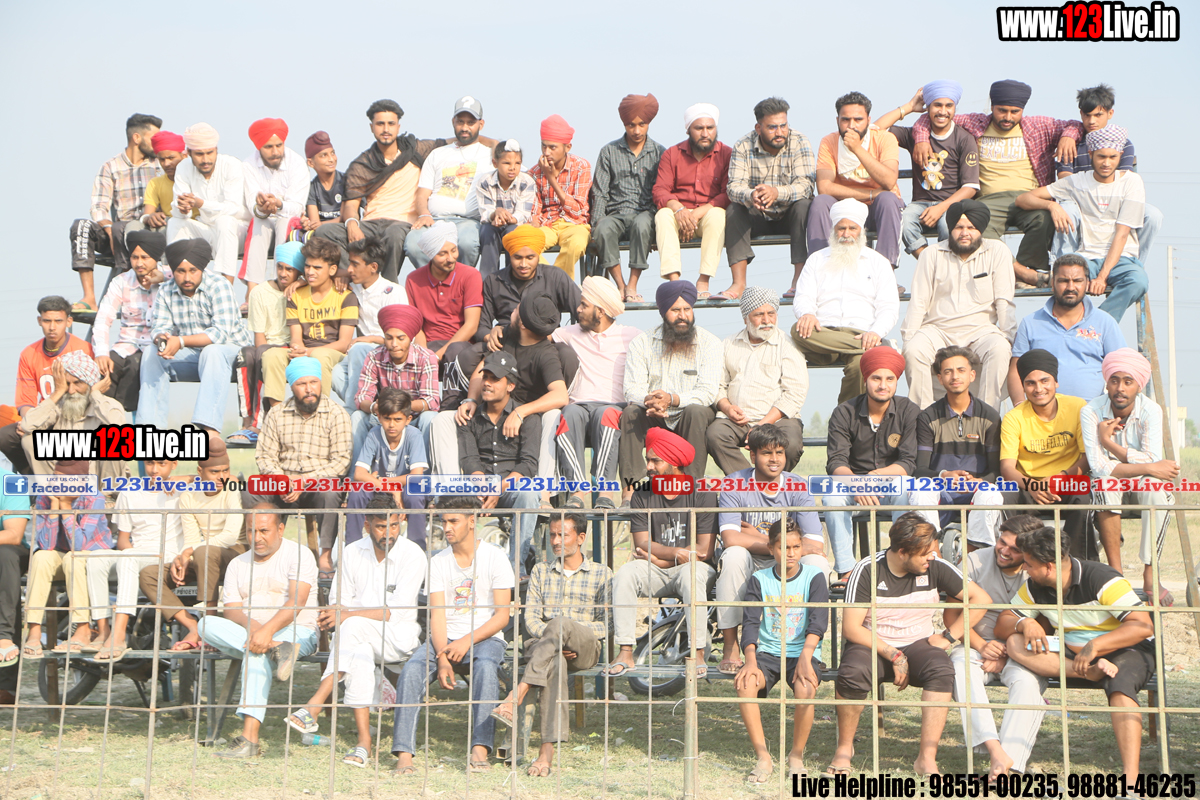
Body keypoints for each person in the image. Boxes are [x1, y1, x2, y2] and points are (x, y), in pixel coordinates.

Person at [995, 525, 1158, 787]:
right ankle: (1089, 672)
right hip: (1073, 654)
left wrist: (1096, 645)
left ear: (1049, 567)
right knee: (1015, 642)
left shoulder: (1101, 578)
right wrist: (1024, 623)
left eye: (1029, 564)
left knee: (1119, 686)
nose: (1024, 568)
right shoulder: (1035, 586)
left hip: (1127, 648)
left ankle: (1131, 778)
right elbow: (1003, 623)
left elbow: (1142, 626)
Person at [831, 513, 991, 777]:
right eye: (925, 554)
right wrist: (894, 654)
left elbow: (981, 599)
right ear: (903, 552)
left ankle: (926, 758)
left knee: (942, 670)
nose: (932, 557)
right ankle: (844, 749)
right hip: (872, 642)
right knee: (853, 672)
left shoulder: (935, 565)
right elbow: (851, 628)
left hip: (918, 642)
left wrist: (948, 637)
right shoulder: (868, 569)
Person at [286, 494, 425, 769]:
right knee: (357, 649)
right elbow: (339, 603)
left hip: (398, 637)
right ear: (367, 524)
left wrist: (347, 614)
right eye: (381, 527)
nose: (389, 533)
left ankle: (315, 704)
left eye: (394, 525)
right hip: (355, 640)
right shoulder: (351, 552)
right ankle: (364, 743)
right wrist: (339, 614)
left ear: (401, 521)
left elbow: (393, 613)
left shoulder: (413, 554)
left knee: (352, 626)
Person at [907, 79, 1085, 286]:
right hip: (989, 199)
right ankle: (1021, 273)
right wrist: (921, 140)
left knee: (1043, 220)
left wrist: (1067, 137)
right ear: (992, 106)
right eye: (1002, 111)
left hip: (1029, 197)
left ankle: (1026, 270)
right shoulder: (975, 123)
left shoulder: (1038, 126)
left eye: (1015, 112)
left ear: (1022, 110)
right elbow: (931, 118)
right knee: (974, 226)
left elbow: (1075, 125)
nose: (1008, 117)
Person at [392, 496, 514, 776]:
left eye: (453, 521)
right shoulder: (438, 562)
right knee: (411, 671)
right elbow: (437, 616)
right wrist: (443, 657)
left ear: (472, 521)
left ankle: (480, 748)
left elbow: (502, 617)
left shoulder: (494, 557)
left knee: (486, 668)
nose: (447, 527)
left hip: (485, 638)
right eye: (443, 521)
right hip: (444, 639)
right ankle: (404, 754)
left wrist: (465, 641)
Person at [490, 512, 613, 779]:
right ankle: (546, 753)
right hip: (545, 649)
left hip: (584, 648)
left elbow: (606, 625)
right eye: (553, 535)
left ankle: (516, 694)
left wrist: (566, 632)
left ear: (580, 538)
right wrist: (556, 640)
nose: (556, 541)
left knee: (559, 623)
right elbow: (531, 619)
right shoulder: (541, 571)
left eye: (563, 535)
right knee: (554, 660)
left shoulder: (602, 573)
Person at [199, 502, 321, 760]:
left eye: (264, 531)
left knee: (254, 653)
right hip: (253, 634)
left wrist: (267, 632)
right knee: (205, 624)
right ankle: (277, 650)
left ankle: (249, 740)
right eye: (251, 531)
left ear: (280, 529)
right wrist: (259, 632)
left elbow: (297, 602)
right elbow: (231, 610)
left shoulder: (298, 554)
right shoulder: (237, 563)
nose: (257, 538)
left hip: (297, 632)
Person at [605, 428, 718, 678]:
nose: (649, 466)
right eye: (648, 460)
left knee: (691, 575)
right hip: (655, 567)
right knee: (625, 574)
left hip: (692, 568)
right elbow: (642, 543)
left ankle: (697, 653)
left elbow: (703, 550)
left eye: (656, 461)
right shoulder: (642, 493)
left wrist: (661, 559)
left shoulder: (702, 492)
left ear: (675, 463)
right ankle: (625, 651)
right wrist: (675, 553)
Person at [716, 424, 827, 675]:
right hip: (752, 560)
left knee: (818, 564)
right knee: (733, 556)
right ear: (753, 455)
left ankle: (811, 649)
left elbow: (814, 544)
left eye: (779, 453)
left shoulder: (797, 486)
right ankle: (730, 645)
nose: (775, 459)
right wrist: (776, 546)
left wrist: (758, 537)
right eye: (767, 453)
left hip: (788, 559)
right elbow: (730, 538)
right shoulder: (734, 483)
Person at [1017, 125, 1149, 321]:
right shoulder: (1077, 181)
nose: (1106, 163)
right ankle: (1063, 326)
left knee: (1138, 282)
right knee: (1064, 283)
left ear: (1120, 156)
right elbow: (1023, 199)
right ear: (1090, 154)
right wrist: (1052, 206)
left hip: (1121, 258)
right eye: (1101, 157)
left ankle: (1096, 323)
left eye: (1112, 157)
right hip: (1086, 257)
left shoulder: (1132, 182)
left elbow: (1122, 234)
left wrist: (1102, 277)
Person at [953, 514, 1048, 780]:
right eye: (1001, 542)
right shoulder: (974, 561)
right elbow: (952, 617)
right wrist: (982, 646)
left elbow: (1047, 624)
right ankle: (995, 751)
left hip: (1021, 649)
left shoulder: (1037, 570)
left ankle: (1010, 766)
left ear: (1030, 553)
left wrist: (1008, 654)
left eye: (1014, 549)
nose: (1003, 551)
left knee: (1028, 683)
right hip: (975, 643)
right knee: (959, 667)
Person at [735, 519, 829, 784]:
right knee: (746, 684)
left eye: (796, 547)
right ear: (771, 549)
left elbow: (818, 622)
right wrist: (750, 661)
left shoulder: (814, 577)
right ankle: (763, 757)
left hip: (803, 652)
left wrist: (806, 658)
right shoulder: (760, 579)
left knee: (806, 688)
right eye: (783, 547)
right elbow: (750, 622)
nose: (791, 553)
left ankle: (796, 756)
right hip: (768, 652)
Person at [1081, 348, 1178, 604]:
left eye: (1128, 381)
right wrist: (1150, 467)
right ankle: (1116, 575)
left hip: (1140, 487)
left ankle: (1150, 574)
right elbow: (1099, 467)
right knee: (1105, 483)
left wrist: (1109, 444)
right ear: (1107, 382)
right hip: (1110, 488)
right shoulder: (1091, 411)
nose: (1120, 388)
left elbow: (1151, 457)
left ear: (1139, 385)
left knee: (1156, 488)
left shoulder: (1150, 410)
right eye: (1114, 381)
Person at [313, 99, 449, 279]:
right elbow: (351, 204)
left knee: (394, 234)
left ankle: (388, 285)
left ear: (398, 127)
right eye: (380, 124)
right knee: (324, 232)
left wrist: (485, 141)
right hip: (370, 224)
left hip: (402, 223)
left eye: (391, 124)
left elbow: (455, 142)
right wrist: (352, 223)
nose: (386, 129)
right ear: (371, 127)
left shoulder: (415, 150)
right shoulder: (362, 164)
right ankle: (351, 277)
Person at [901, 199, 1016, 410]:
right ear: (950, 229)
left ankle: (987, 417)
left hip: (981, 331)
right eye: (959, 227)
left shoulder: (997, 251)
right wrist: (908, 341)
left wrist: (1008, 338)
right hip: (937, 330)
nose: (965, 233)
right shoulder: (931, 254)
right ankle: (923, 419)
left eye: (971, 228)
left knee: (1000, 349)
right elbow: (918, 302)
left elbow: (1004, 301)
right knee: (914, 349)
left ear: (981, 229)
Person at [139, 434, 246, 652]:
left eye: (225, 471)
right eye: (214, 472)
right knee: (149, 575)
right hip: (203, 556)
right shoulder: (188, 496)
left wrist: (190, 552)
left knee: (204, 552)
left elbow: (229, 536)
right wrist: (183, 556)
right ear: (200, 472)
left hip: (235, 554)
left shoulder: (232, 488)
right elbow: (190, 539)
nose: (222, 477)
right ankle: (193, 626)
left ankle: (210, 628)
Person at [823, 346, 919, 578]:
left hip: (891, 482)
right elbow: (836, 462)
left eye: (890, 379)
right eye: (876, 378)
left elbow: (908, 462)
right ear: (865, 379)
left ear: (897, 382)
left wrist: (875, 477)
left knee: (907, 491)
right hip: (852, 484)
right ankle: (846, 571)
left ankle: (899, 568)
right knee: (831, 496)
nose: (883, 385)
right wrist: (857, 484)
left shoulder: (908, 410)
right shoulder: (844, 412)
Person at [791, 199, 899, 405]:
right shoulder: (816, 260)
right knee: (797, 330)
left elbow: (889, 307)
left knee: (861, 366)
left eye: (852, 228)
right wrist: (807, 313)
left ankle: (844, 417)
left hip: (863, 333)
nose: (846, 234)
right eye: (841, 228)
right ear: (834, 230)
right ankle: (881, 347)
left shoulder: (878, 262)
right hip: (823, 335)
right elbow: (803, 296)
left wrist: (876, 332)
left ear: (861, 231)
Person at [137, 239, 252, 432]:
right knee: (151, 352)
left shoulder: (219, 285)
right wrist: (163, 340)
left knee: (212, 351)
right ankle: (151, 430)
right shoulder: (166, 290)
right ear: (173, 271)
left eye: (193, 270)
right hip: (194, 357)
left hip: (233, 355)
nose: (187, 277)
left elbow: (220, 334)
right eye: (181, 271)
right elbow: (159, 327)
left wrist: (180, 341)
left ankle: (208, 429)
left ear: (202, 269)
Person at [256, 357, 352, 576]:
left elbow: (341, 461)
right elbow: (264, 456)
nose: (309, 389)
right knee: (251, 492)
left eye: (314, 382)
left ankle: (325, 554)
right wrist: (281, 481)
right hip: (283, 483)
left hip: (317, 483)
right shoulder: (277, 413)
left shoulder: (337, 413)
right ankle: (263, 551)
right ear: (292, 387)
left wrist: (304, 481)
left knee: (331, 490)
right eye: (302, 384)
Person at [620, 280, 720, 485]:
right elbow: (632, 388)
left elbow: (708, 392)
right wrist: (651, 401)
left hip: (689, 416)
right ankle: (632, 490)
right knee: (630, 413)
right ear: (663, 312)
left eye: (687, 309)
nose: (682, 316)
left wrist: (672, 400)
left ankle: (689, 488)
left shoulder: (709, 343)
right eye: (675, 310)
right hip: (653, 414)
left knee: (696, 411)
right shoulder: (642, 342)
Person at [552, 277, 640, 508]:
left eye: (584, 305)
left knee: (606, 415)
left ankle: (605, 493)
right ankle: (577, 493)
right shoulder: (567, 333)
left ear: (600, 311)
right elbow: (536, 337)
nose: (578, 309)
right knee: (568, 413)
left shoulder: (631, 335)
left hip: (614, 407)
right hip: (579, 406)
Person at [87, 459, 185, 662]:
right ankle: (104, 630)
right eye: (149, 463)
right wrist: (130, 557)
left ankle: (119, 635)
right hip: (136, 553)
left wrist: (184, 479)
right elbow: (123, 540)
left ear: (174, 464)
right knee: (96, 559)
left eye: (161, 463)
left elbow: (220, 478)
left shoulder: (181, 490)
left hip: (168, 555)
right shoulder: (130, 492)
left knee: (128, 558)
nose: (154, 470)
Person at [1053, 84, 1162, 265]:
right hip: (1079, 202)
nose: (1092, 121)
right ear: (1081, 114)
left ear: (1110, 113)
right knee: (1067, 210)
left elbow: (1122, 180)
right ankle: (1064, 267)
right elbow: (1064, 178)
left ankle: (1134, 265)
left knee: (1153, 215)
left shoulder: (1123, 144)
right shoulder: (1071, 142)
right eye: (1087, 115)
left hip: (1114, 201)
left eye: (1098, 115)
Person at [907, 346, 1005, 548]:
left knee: (991, 494)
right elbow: (920, 469)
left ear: (972, 375)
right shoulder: (927, 417)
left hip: (975, 490)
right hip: (941, 490)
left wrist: (979, 481)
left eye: (961, 370)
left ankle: (977, 555)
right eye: (948, 371)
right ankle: (931, 552)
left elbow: (996, 471)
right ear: (940, 378)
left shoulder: (990, 417)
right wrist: (944, 475)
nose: (955, 376)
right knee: (920, 491)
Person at [455, 351, 543, 571]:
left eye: (495, 379)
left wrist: (498, 488)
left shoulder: (529, 419)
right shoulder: (469, 417)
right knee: (451, 492)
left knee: (530, 493)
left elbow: (528, 464)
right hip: (478, 486)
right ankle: (462, 567)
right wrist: (484, 486)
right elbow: (469, 459)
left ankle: (515, 567)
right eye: (485, 377)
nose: (487, 383)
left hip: (511, 487)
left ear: (510, 385)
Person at [708, 286, 809, 475]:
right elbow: (716, 385)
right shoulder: (728, 344)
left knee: (791, 444)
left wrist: (762, 424)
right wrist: (728, 408)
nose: (767, 320)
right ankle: (748, 484)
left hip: (777, 420)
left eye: (771, 313)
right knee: (715, 435)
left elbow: (795, 393)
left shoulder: (788, 345)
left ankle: (770, 482)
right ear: (745, 318)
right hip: (736, 420)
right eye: (759, 314)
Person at [999, 350, 1090, 556]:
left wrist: (1062, 477)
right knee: (1005, 496)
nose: (1038, 389)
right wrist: (1033, 485)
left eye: (1044, 381)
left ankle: (1076, 561)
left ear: (1056, 382)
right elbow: (1007, 467)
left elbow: (1087, 458)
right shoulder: (1014, 418)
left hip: (1066, 482)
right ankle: (1013, 558)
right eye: (1030, 383)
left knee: (1083, 495)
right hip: (1028, 485)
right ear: (1023, 387)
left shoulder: (1077, 407)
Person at [876, 81, 980, 258]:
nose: (943, 111)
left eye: (949, 106)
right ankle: (929, 262)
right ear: (928, 107)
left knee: (949, 227)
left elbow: (970, 187)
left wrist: (941, 208)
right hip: (920, 204)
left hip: (951, 203)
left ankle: (947, 266)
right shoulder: (915, 136)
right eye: (937, 105)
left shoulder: (964, 139)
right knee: (903, 222)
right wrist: (909, 107)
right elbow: (876, 130)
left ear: (955, 108)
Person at [70, 113, 162, 313]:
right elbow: (98, 206)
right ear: (136, 138)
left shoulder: (160, 164)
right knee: (81, 226)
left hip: (150, 232)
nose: (157, 143)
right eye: (153, 138)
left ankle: (131, 289)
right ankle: (89, 297)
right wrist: (109, 229)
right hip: (118, 235)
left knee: (125, 228)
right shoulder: (110, 167)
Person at [727, 97, 816, 300]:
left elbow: (806, 185)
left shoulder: (799, 141)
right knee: (734, 209)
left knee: (804, 205)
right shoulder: (742, 145)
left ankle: (799, 280)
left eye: (783, 125)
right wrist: (751, 195)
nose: (779, 132)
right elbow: (733, 187)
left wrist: (775, 192)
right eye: (772, 127)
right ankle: (738, 283)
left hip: (790, 215)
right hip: (757, 214)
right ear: (758, 128)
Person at [21, 460, 111, 657]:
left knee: (74, 558)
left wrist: (67, 506)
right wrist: (56, 507)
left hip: (92, 555)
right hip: (61, 553)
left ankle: (83, 628)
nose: (59, 483)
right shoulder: (46, 496)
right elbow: (46, 545)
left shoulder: (93, 497)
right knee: (41, 557)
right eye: (57, 478)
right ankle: (34, 630)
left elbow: (79, 545)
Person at [1008, 254, 1126, 402]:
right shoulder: (1031, 323)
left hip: (1092, 411)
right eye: (1063, 281)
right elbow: (1016, 370)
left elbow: (1122, 368)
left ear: (1087, 283)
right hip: (1044, 411)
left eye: (1077, 281)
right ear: (1053, 283)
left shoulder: (1105, 322)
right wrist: (1020, 406)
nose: (1070, 287)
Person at [809, 91, 904, 271]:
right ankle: (819, 270)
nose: (851, 126)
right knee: (820, 202)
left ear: (868, 120)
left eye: (858, 120)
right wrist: (870, 193)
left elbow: (889, 181)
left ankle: (886, 272)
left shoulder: (885, 139)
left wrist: (857, 149)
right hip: (843, 211)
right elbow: (824, 187)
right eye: (845, 120)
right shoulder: (829, 142)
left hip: (877, 209)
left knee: (888, 199)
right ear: (837, 120)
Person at [261, 238, 359, 410]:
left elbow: (343, 344)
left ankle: (321, 410)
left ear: (332, 269)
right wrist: (298, 348)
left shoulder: (346, 297)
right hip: (305, 351)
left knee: (320, 355)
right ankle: (276, 412)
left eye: (317, 268)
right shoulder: (296, 295)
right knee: (272, 355)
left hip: (332, 354)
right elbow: (296, 336)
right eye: (307, 266)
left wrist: (308, 352)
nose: (310, 272)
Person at [651, 103, 732, 303]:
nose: (705, 133)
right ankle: (675, 281)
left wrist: (697, 213)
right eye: (699, 128)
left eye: (710, 128)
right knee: (663, 214)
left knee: (718, 214)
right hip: (678, 216)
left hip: (706, 216)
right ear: (688, 130)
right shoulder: (672, 154)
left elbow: (727, 193)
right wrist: (679, 209)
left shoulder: (727, 154)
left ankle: (703, 281)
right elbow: (660, 189)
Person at [1, 350, 122, 482]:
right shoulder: (62, 404)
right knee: (29, 439)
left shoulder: (108, 405)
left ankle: (108, 492)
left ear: (90, 383)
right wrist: (57, 392)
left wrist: (95, 394)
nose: (71, 390)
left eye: (77, 383)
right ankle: (49, 490)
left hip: (98, 477)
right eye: (67, 384)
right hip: (64, 476)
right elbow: (27, 425)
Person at [403, 96, 493, 269]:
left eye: (471, 122)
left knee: (467, 244)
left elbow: (514, 171)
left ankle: (459, 282)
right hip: (434, 220)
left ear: (481, 124)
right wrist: (424, 214)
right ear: (453, 122)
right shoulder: (437, 154)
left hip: (468, 221)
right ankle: (434, 281)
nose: (464, 127)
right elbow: (422, 194)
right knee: (413, 244)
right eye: (460, 122)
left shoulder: (490, 155)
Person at [592, 93, 664, 300]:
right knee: (603, 228)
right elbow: (600, 192)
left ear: (649, 123)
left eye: (642, 124)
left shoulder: (659, 152)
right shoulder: (608, 151)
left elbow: (662, 190)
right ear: (624, 124)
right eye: (631, 125)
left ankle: (632, 284)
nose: (637, 131)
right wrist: (596, 224)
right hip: (615, 214)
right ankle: (620, 285)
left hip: (645, 213)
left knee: (642, 225)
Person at [231, 241, 305, 441]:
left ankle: (261, 424)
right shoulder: (259, 292)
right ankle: (247, 422)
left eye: (289, 269)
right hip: (267, 346)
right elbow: (259, 336)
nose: (283, 273)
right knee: (246, 354)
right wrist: (261, 352)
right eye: (280, 267)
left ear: (299, 271)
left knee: (266, 355)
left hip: (293, 348)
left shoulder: (305, 290)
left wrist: (301, 284)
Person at [168, 123, 251, 290]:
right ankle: (177, 282)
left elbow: (233, 208)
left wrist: (200, 203)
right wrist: (182, 208)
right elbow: (179, 207)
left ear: (216, 150)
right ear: (189, 153)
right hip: (207, 231)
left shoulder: (231, 165)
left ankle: (225, 288)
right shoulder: (183, 167)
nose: (205, 160)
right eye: (199, 154)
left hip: (237, 232)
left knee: (225, 221)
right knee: (175, 222)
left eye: (209, 153)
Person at [351, 304, 440, 459]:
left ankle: (423, 469)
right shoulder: (374, 356)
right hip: (384, 418)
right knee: (358, 416)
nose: (394, 344)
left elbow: (431, 401)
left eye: (400, 338)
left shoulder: (426, 357)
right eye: (389, 338)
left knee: (429, 418)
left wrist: (399, 406)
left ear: (411, 338)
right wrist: (375, 407)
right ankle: (358, 471)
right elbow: (361, 398)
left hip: (414, 419)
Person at [474, 225, 581, 354]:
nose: (523, 264)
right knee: (468, 354)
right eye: (517, 258)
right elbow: (481, 326)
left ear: (538, 256)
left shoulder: (555, 276)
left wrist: (558, 335)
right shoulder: (493, 281)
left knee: (567, 354)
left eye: (530, 258)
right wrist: (490, 336)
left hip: (546, 345)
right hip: (505, 346)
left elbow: (582, 312)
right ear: (510, 255)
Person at [345, 388, 429, 550]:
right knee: (358, 491)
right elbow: (359, 473)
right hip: (380, 489)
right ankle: (352, 549)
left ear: (408, 419)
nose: (391, 425)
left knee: (415, 492)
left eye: (397, 419)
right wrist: (390, 487)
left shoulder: (414, 435)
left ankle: (418, 549)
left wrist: (389, 483)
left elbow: (416, 476)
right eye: (387, 419)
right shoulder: (374, 434)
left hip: (403, 488)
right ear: (379, 417)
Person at [93, 230, 166, 414]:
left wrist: (164, 279)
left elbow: (196, 278)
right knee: (106, 367)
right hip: (126, 345)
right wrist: (101, 353)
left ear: (156, 257)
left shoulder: (171, 278)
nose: (139, 263)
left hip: (157, 347)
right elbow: (103, 319)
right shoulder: (121, 282)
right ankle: (106, 419)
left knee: (136, 365)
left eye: (145, 257)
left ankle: (124, 417)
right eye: (134, 257)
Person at [242, 118, 308, 296]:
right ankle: (253, 291)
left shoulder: (297, 163)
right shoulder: (248, 165)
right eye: (268, 147)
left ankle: (279, 288)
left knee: (284, 221)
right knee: (258, 222)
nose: (275, 152)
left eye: (279, 145)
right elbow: (251, 202)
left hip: (289, 223)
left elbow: (297, 206)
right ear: (259, 147)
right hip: (262, 222)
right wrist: (261, 207)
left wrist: (278, 204)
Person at [403, 221, 483, 364]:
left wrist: (437, 356)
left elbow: (471, 326)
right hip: (428, 345)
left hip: (460, 344)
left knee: (455, 352)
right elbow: (416, 326)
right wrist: (424, 353)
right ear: (431, 255)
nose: (450, 258)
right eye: (442, 254)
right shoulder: (413, 279)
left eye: (454, 250)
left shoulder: (471, 275)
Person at [529, 115, 592, 280]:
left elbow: (577, 210)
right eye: (543, 146)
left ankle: (554, 285)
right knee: (526, 243)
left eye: (552, 147)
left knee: (577, 244)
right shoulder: (534, 173)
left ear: (567, 147)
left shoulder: (581, 167)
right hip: (547, 225)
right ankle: (554, 283)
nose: (546, 152)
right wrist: (532, 225)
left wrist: (551, 179)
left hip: (574, 224)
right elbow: (535, 211)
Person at [475, 139, 537, 277]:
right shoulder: (485, 181)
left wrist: (510, 218)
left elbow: (522, 213)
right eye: (506, 163)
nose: (512, 168)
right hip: (493, 224)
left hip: (515, 224)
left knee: (513, 232)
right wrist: (495, 213)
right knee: (487, 232)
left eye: (517, 163)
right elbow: (485, 211)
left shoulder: (527, 182)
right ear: (495, 163)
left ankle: (513, 278)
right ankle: (488, 279)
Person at [0, 468, 31, 674]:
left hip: (7, 551)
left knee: (5, 556)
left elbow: (14, 534)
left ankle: (3, 635)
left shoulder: (10, 481)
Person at [140, 130, 189, 236]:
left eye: (171, 158)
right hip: (167, 225)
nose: (166, 164)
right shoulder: (155, 183)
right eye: (162, 159)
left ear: (184, 156)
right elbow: (146, 214)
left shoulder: (196, 179)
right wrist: (150, 217)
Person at [298, 131, 345, 239]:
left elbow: (348, 217)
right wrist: (308, 224)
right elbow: (315, 222)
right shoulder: (311, 188)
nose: (331, 159)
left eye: (332, 153)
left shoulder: (347, 181)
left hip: (344, 232)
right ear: (310, 163)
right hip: (321, 235)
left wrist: (322, 225)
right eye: (324, 155)